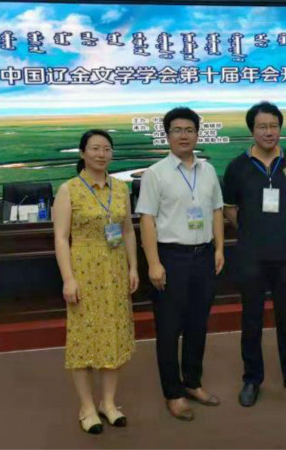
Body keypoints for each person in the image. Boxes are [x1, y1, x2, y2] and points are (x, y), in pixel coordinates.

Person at [223, 101, 286, 406]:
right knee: (251, 319)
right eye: (262, 126)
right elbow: (230, 209)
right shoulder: (237, 167)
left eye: (273, 126)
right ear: (252, 130)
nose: (268, 132)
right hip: (251, 256)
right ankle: (252, 379)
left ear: (280, 128)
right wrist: (253, 230)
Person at [136, 107, 225, 421]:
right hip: (171, 257)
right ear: (167, 135)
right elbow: (147, 219)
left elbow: (217, 210)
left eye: (189, 130)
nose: (184, 136)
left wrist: (219, 248)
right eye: (177, 130)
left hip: (204, 256)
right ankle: (173, 393)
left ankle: (193, 382)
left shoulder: (208, 170)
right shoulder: (155, 173)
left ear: (198, 134)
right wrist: (153, 263)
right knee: (169, 328)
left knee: (198, 324)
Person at [53, 129, 138, 434]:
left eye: (106, 149)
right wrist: (68, 279)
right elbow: (61, 239)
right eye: (95, 148)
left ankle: (109, 403)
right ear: (83, 153)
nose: (101, 154)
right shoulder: (69, 190)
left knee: (114, 336)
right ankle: (87, 407)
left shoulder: (120, 188)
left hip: (115, 272)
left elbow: (127, 231)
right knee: (84, 339)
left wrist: (133, 267)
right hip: (84, 273)